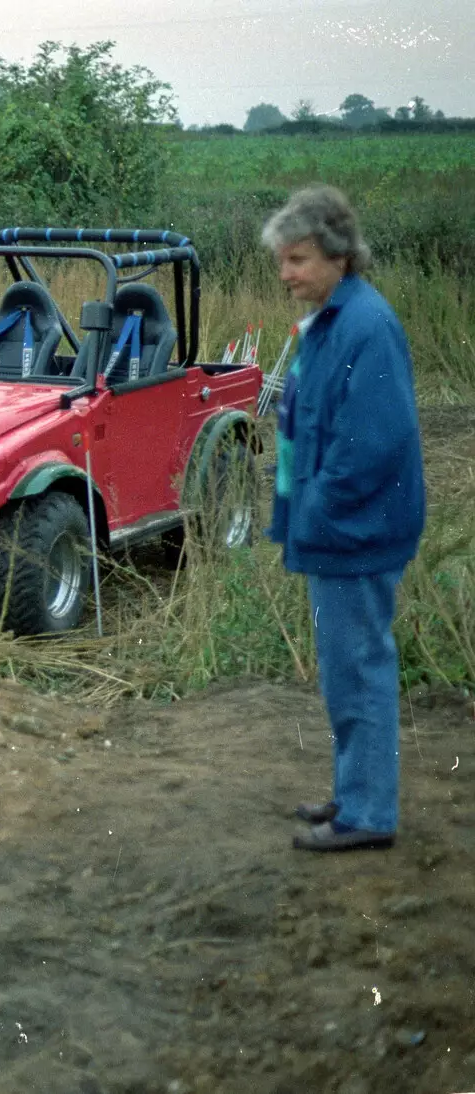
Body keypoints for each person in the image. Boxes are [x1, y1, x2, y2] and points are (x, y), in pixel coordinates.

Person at [263, 185, 425, 852]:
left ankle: (366, 817)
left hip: (355, 531)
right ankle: (356, 793)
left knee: (356, 669)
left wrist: (321, 508)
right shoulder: (334, 317)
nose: (287, 274)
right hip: (338, 528)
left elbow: (372, 442)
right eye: (283, 260)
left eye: (298, 259)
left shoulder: (366, 325)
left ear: (338, 254)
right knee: (347, 669)